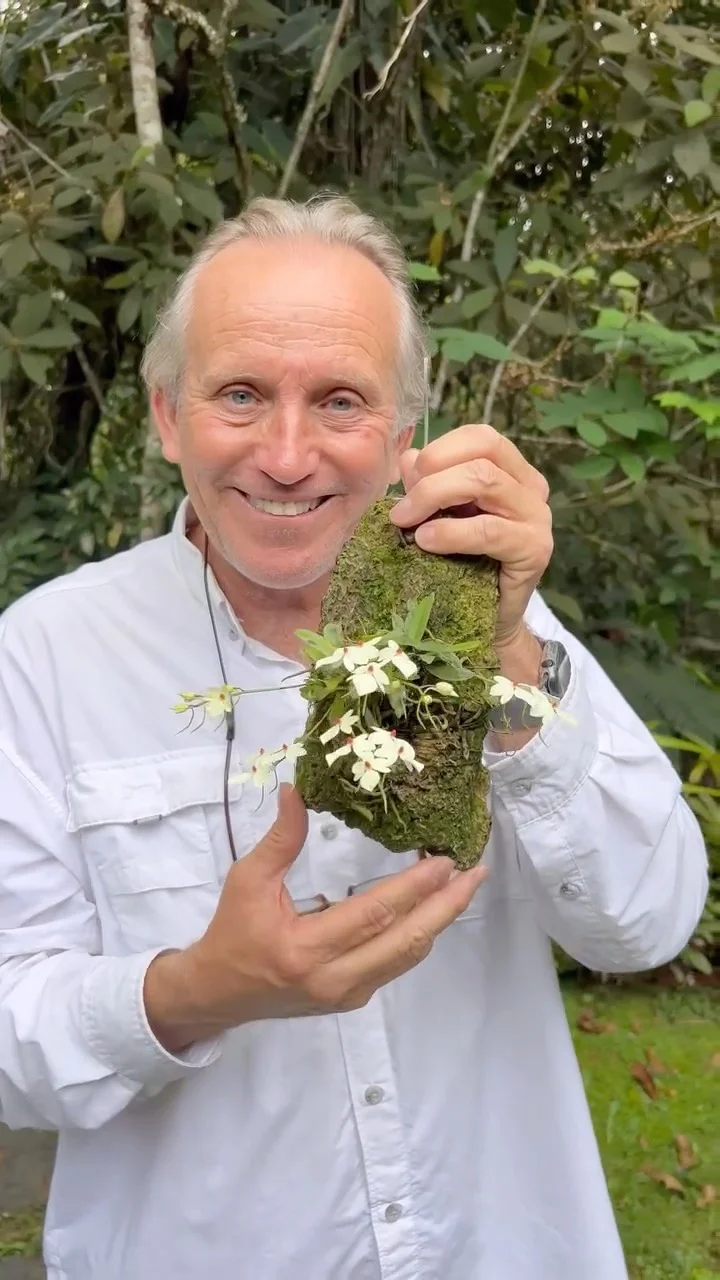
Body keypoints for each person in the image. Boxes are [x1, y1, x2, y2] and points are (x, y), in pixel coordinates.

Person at [0, 195, 707, 1280]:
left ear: (402, 435)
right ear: (168, 415)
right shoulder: (45, 654)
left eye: (340, 399)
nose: (288, 456)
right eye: (241, 394)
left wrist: (510, 647)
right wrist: (195, 990)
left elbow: (647, 921)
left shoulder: (494, 615)